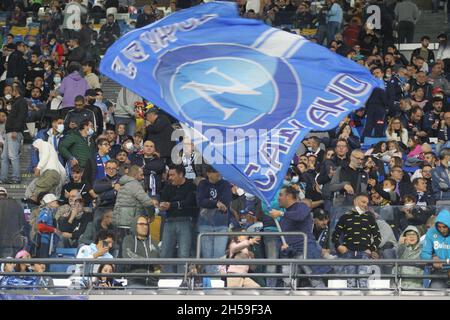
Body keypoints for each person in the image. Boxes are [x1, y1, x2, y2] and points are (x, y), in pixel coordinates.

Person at [269, 186, 331, 288]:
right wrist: (282, 246)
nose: (278, 198)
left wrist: (281, 213)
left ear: (288, 196)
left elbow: (299, 216)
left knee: (316, 282)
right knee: (288, 284)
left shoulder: (302, 206)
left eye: (280, 195)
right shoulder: (284, 217)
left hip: (305, 252)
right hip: (289, 253)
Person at [332, 193, 381, 288]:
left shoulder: (370, 218)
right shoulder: (345, 217)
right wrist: (339, 246)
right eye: (363, 202)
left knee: (363, 283)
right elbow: (335, 235)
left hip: (364, 253)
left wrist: (371, 249)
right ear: (355, 201)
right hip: (348, 253)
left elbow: (377, 237)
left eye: (367, 203)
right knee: (350, 283)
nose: (365, 205)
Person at [159, 165, 197, 273]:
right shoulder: (168, 186)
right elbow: (163, 200)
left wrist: (171, 205)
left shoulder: (191, 186)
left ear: (181, 174)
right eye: (168, 175)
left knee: (183, 254)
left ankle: (182, 281)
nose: (169, 178)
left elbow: (188, 202)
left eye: (172, 175)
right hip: (169, 221)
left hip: (185, 221)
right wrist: (162, 204)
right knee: (165, 253)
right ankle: (167, 281)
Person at [197, 165, 232, 273]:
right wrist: (216, 203)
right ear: (208, 173)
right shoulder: (203, 184)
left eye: (219, 171)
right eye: (215, 172)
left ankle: (216, 282)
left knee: (219, 255)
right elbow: (200, 201)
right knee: (207, 257)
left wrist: (210, 203)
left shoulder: (225, 184)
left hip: (221, 224)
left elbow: (226, 200)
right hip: (205, 224)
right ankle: (209, 283)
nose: (218, 174)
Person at [113, 165, 157, 243]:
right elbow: (147, 203)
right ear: (134, 175)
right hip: (130, 223)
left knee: (120, 248)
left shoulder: (123, 184)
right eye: (141, 175)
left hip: (119, 221)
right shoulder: (135, 185)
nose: (143, 177)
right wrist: (151, 215)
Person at [121, 215, 159, 287]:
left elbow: (159, 263)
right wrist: (149, 262)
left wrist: (156, 277)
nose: (145, 227)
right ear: (135, 225)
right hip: (135, 282)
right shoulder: (128, 239)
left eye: (146, 224)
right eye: (141, 224)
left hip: (153, 284)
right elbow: (128, 256)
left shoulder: (153, 242)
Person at [0, 85, 27, 184]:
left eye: (13, 90)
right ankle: (3, 178)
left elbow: (21, 117)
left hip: (14, 132)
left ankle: (16, 178)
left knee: (13, 156)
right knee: (4, 156)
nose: (11, 92)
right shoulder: (16, 101)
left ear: (17, 91)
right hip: (9, 132)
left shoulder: (22, 101)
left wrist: (16, 130)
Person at [421, 209, 450, 288]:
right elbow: (424, 254)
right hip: (439, 270)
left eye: (444, 227)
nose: (441, 229)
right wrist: (432, 258)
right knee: (435, 288)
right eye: (439, 226)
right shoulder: (431, 232)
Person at [35, 194, 61, 258]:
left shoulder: (50, 212)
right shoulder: (46, 212)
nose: (57, 203)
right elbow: (41, 226)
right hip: (44, 240)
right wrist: (54, 230)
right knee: (44, 261)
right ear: (50, 202)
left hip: (48, 240)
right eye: (55, 201)